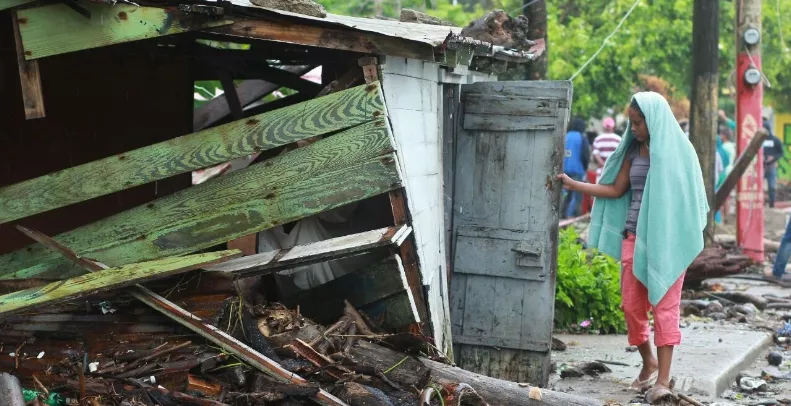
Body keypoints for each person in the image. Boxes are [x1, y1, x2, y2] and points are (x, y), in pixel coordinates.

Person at [558, 93, 708, 403]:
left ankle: (663, 380)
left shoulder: (680, 153)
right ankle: (648, 362)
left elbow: (693, 201)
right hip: (633, 237)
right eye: (631, 122)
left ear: (653, 121)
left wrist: (681, 232)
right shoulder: (634, 151)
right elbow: (615, 189)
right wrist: (573, 185)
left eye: (638, 123)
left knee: (665, 310)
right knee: (631, 306)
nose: (634, 128)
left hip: (666, 241)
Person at [562, 117, 591, 219]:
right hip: (577, 170)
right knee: (576, 195)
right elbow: (585, 155)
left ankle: (561, 215)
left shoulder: (565, 136)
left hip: (564, 170)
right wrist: (585, 168)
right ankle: (570, 216)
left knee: (565, 194)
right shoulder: (582, 137)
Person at [763, 116, 784, 208]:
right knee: (759, 187)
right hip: (761, 167)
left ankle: (772, 204)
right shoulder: (759, 140)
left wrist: (773, 158)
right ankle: (761, 204)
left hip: (771, 167)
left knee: (771, 187)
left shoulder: (775, 140)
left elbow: (781, 152)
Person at [593, 117, 622, 182]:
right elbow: (620, 155)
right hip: (615, 174)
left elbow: (596, 155)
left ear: (603, 126)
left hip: (601, 173)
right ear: (613, 126)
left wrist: (604, 165)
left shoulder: (597, 139)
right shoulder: (619, 140)